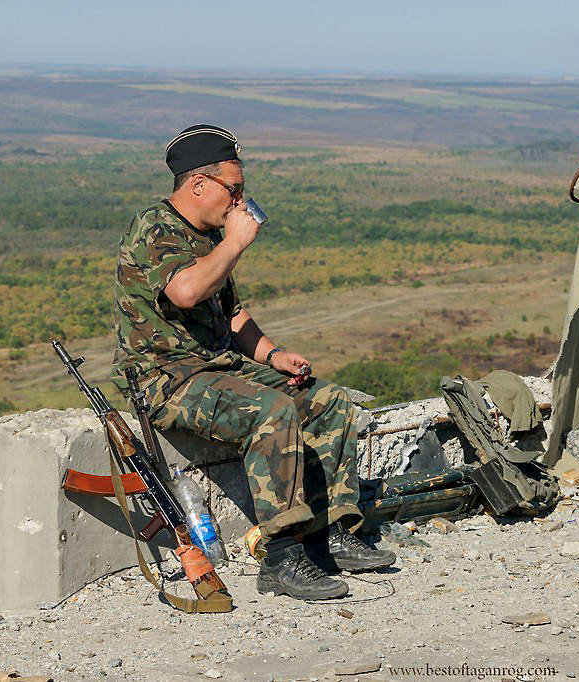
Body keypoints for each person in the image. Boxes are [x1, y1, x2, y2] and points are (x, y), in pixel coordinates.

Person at [112, 124, 395, 600]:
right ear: (199, 184)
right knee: (271, 411)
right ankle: (282, 557)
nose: (240, 201)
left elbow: (232, 314)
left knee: (327, 401)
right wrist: (236, 242)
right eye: (234, 189)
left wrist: (273, 354)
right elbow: (184, 291)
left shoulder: (209, 236)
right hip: (168, 377)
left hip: (219, 367)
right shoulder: (155, 229)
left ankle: (330, 534)